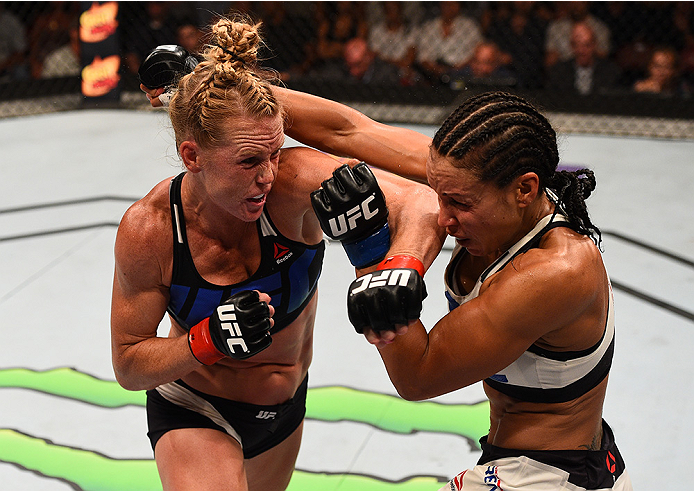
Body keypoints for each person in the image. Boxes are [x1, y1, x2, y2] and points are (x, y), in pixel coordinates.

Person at [120, 15, 443, 491]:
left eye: (274, 153)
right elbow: (129, 364)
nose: (267, 175)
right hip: (196, 404)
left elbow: (417, 198)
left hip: (287, 406)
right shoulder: (151, 229)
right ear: (193, 157)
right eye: (249, 161)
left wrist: (400, 263)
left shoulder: (291, 184)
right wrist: (204, 342)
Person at [261, 89, 634, 490]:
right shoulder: (479, 177)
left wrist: (368, 248)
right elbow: (347, 130)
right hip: (539, 461)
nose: (444, 218)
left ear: (524, 190)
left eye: (458, 203)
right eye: (439, 195)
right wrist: (234, 86)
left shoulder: (552, 273)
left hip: (548, 477)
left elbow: (418, 377)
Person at [548, 21, 620, 95]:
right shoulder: (559, 72)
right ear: (571, 46)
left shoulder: (610, 71)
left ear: (594, 45)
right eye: (577, 45)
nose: (582, 51)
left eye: (587, 45)